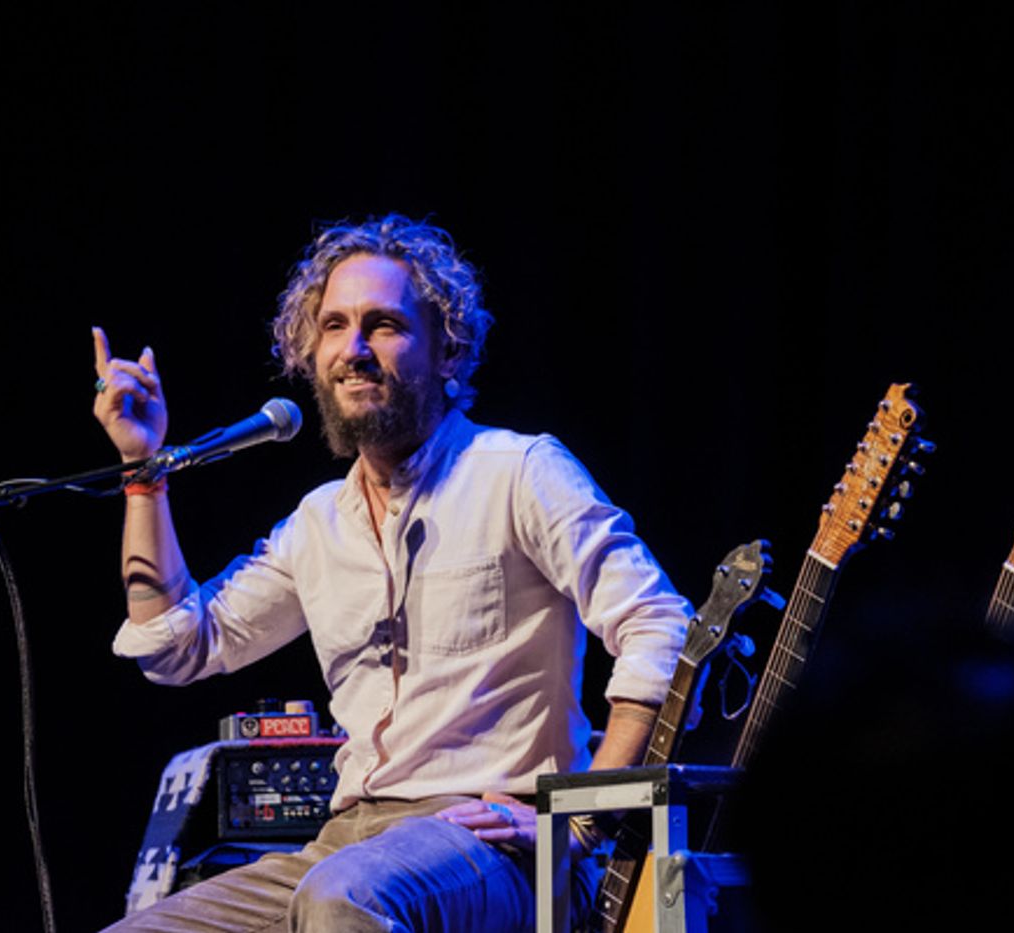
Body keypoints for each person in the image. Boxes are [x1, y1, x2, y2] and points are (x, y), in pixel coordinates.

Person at [92, 214, 692, 932]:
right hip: (345, 839)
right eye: (336, 326)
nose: (354, 349)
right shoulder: (318, 523)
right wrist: (143, 471)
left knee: (345, 897)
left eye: (383, 325)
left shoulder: (519, 471)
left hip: (490, 841)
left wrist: (582, 819)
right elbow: (175, 644)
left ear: (448, 349)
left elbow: (661, 625)